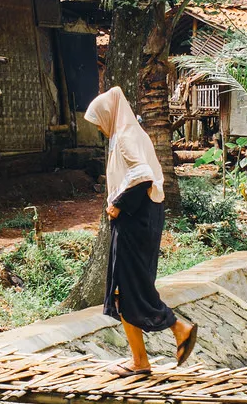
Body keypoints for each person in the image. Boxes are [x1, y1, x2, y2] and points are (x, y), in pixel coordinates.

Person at [84, 86, 199, 374]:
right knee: (131, 287)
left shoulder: (124, 138)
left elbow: (143, 176)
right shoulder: (133, 133)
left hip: (135, 221)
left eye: (99, 120)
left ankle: (175, 331)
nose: (99, 127)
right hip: (145, 218)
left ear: (109, 115)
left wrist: (118, 205)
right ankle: (142, 358)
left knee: (127, 287)